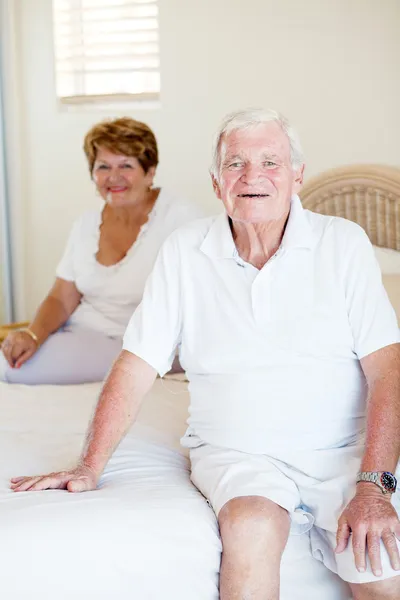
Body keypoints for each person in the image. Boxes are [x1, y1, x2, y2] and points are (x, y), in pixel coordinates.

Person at [10, 109, 400, 600]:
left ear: (296, 175)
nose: (252, 176)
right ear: (217, 183)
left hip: (340, 453)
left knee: (382, 571)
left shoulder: (343, 244)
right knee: (250, 526)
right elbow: (136, 365)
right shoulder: (185, 249)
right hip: (237, 453)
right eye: (235, 164)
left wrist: (374, 485)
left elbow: (387, 368)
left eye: (270, 162)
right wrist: (88, 465)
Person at [0, 117, 202, 384]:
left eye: (126, 166)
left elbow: (205, 299)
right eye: (103, 166)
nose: (113, 177)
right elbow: (61, 298)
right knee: (9, 360)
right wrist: (33, 335)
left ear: (150, 172)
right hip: (84, 334)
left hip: (143, 345)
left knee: (10, 370)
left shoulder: (182, 220)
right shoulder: (86, 224)